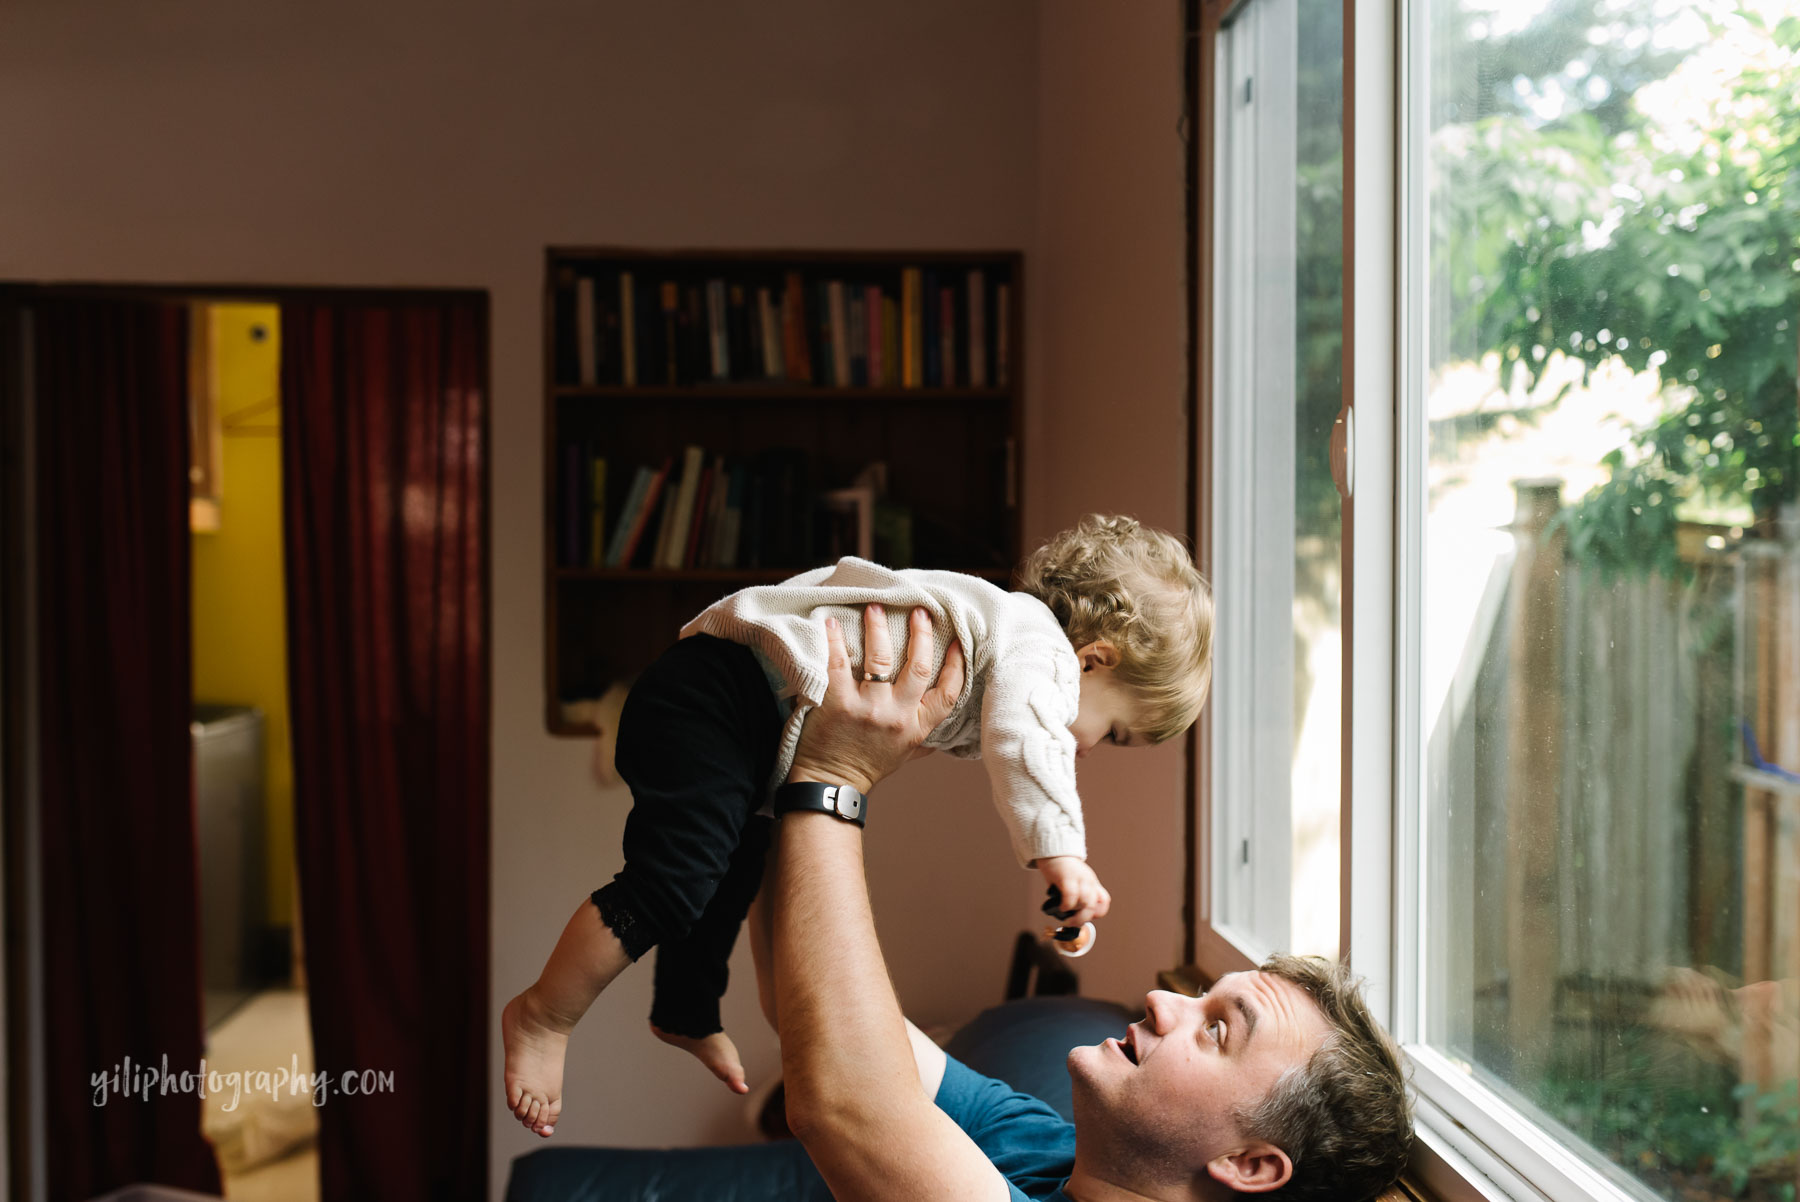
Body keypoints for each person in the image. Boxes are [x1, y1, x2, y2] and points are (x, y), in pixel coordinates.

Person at [504, 515, 1214, 1135]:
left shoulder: (1002, 638)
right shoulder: (1040, 649)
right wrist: (1063, 857)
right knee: (673, 881)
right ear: (1094, 660)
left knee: (734, 866)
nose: (1088, 748)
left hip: (748, 719)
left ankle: (685, 1010)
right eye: (1115, 732)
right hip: (718, 695)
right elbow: (1028, 745)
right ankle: (544, 1013)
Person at [763, 603, 1413, 1201]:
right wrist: (765, 781)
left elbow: (843, 1102)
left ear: (1249, 1163)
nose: (1162, 1002)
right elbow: (812, 1024)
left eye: (1216, 1029)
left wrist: (833, 778)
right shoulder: (1050, 1148)